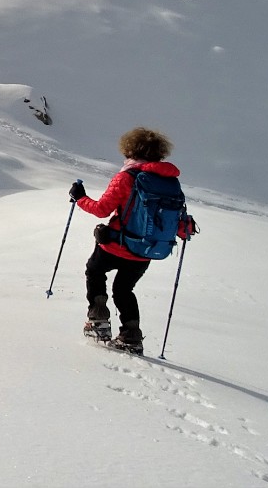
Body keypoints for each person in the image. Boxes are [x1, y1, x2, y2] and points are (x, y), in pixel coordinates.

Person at [69, 127, 189, 353]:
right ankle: (131, 337)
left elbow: (102, 210)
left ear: (131, 150)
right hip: (146, 250)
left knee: (94, 271)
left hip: (116, 244)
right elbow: (176, 218)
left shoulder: (127, 177)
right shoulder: (171, 183)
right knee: (124, 290)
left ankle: (98, 320)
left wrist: (80, 197)